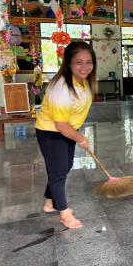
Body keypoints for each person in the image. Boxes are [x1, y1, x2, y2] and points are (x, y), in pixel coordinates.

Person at [35, 41, 96, 229]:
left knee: (63, 167)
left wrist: (77, 135)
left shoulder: (83, 81)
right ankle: (64, 213)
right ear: (69, 63)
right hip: (51, 132)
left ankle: (49, 202)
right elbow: (61, 125)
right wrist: (81, 139)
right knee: (59, 172)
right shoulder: (61, 87)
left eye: (88, 62)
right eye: (79, 62)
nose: (84, 67)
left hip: (67, 130)